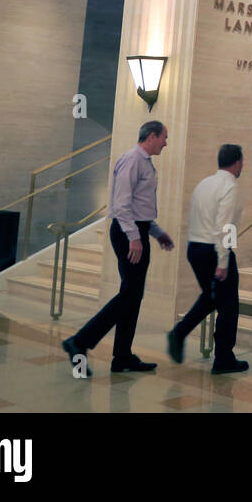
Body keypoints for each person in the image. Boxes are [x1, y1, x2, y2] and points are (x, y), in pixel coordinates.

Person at [63, 121, 174, 377]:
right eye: (164, 138)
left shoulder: (144, 162)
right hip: (128, 233)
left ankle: (122, 355)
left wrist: (156, 233)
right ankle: (79, 341)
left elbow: (139, 206)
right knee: (129, 295)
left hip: (137, 231)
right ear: (152, 135)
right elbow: (121, 205)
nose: (166, 143)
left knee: (133, 295)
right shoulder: (132, 160)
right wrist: (134, 237)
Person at [167, 144, 247, 375]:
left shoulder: (205, 183)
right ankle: (223, 359)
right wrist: (224, 261)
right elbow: (225, 226)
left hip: (195, 248)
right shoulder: (230, 187)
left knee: (212, 298)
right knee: (229, 306)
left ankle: (180, 332)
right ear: (237, 163)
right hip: (215, 250)